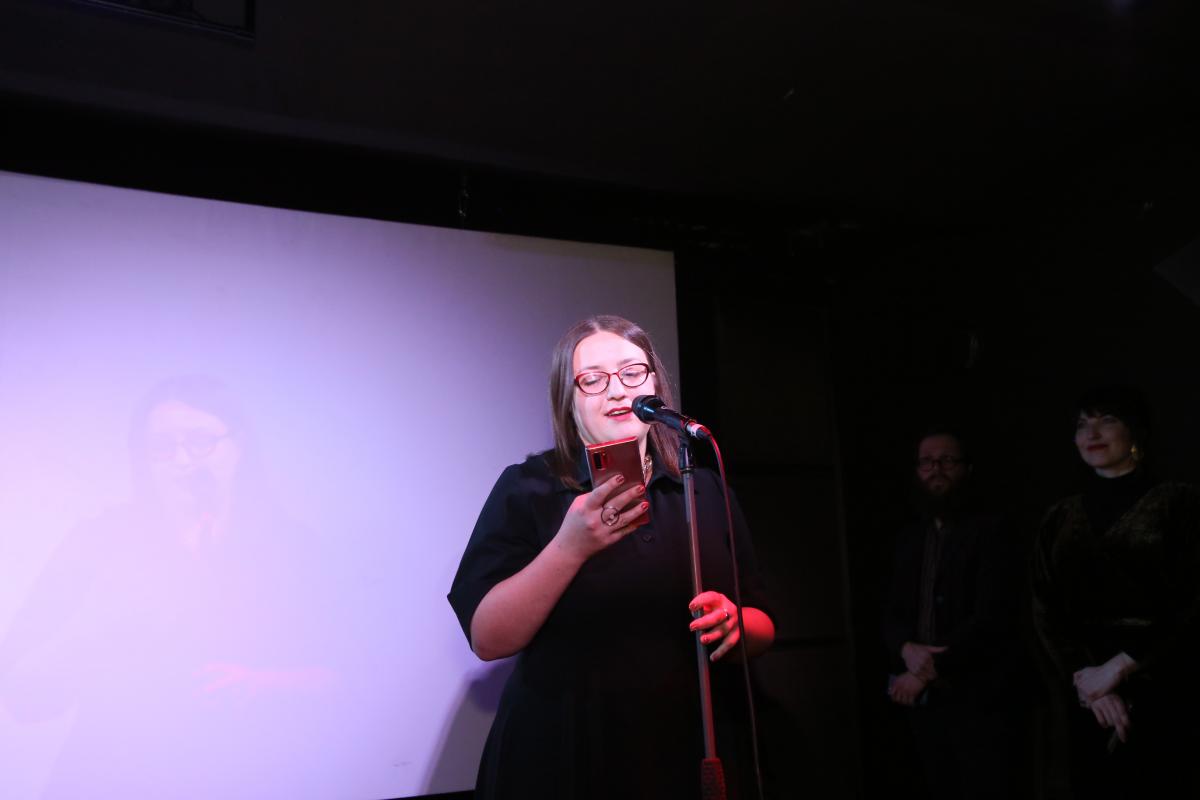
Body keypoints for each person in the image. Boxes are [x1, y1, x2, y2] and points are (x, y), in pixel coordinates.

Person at [447, 315, 775, 799]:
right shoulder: (529, 488)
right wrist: (570, 546)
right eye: (593, 379)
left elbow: (762, 621)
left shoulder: (701, 487)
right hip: (567, 754)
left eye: (631, 373)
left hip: (686, 750)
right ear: (569, 399)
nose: (618, 391)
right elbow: (488, 638)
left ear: (654, 384)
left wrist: (735, 623)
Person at [1032, 386, 1200, 799]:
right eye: (1082, 424)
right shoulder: (1058, 516)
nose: (1092, 433)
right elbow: (1044, 607)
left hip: (1165, 678)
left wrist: (1121, 667)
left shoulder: (1180, 503)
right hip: (1084, 692)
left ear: (1135, 430)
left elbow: (1193, 599)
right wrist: (1089, 683)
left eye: (1106, 420)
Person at [882, 427, 1026, 799]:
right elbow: (891, 611)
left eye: (947, 461)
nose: (936, 469)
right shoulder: (909, 537)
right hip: (922, 702)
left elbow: (992, 617)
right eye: (927, 462)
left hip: (979, 696)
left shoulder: (994, 531)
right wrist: (905, 649)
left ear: (966, 469)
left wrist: (925, 670)